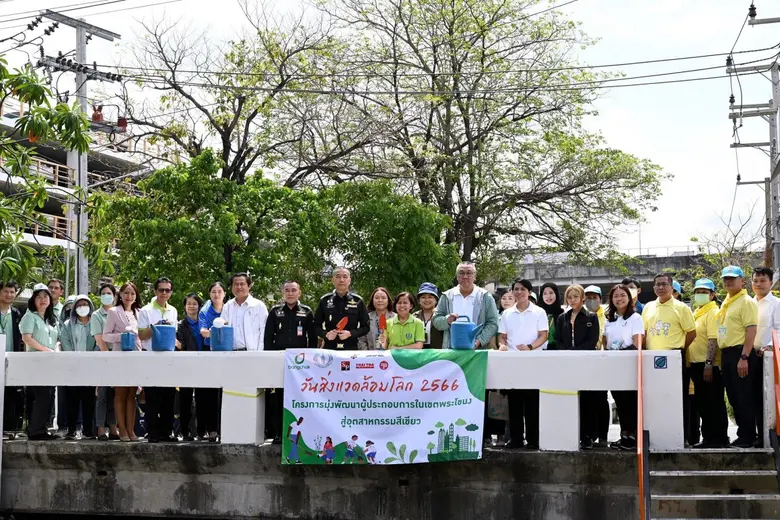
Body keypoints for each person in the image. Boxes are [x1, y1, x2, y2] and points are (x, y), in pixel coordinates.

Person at [643, 272, 696, 444]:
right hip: (652, 358)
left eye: (664, 284)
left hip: (674, 357)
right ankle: (659, 436)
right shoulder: (648, 307)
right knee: (656, 398)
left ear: (671, 287)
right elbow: (644, 333)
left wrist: (678, 349)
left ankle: (684, 436)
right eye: (657, 284)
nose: (660, 287)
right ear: (653, 288)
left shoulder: (681, 307)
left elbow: (691, 333)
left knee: (679, 398)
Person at [498, 278, 548, 450]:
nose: (519, 292)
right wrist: (502, 345)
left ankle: (533, 440)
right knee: (514, 402)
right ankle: (516, 438)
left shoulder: (539, 312)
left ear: (529, 292)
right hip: (513, 362)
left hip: (533, 361)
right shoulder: (507, 314)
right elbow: (502, 336)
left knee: (532, 402)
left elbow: (543, 335)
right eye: (516, 289)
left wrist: (529, 347)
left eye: (522, 289)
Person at [264, 281, 317, 443]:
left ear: (299, 293)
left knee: (299, 397)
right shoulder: (275, 312)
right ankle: (279, 433)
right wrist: (270, 359)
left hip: (300, 364)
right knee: (279, 398)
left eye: (294, 290)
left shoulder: (306, 312)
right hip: (280, 360)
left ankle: (301, 434)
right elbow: (268, 338)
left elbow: (313, 339)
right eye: (287, 290)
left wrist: (310, 360)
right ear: (282, 293)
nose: (290, 293)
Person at [717, 266, 760, 448]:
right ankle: (743, 433)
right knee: (733, 396)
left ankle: (748, 436)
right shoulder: (727, 301)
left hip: (741, 353)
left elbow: (751, 330)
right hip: (727, 354)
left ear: (742, 281)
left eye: (732, 278)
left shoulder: (746, 301)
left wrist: (744, 357)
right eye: (725, 278)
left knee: (743, 396)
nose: (728, 281)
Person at [556, 284, 600, 450]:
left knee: (587, 400)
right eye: (569, 297)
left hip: (586, 362)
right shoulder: (562, 317)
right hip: (567, 363)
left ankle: (587, 436)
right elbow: (558, 339)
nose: (572, 300)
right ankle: (570, 434)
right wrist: (566, 352)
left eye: (576, 296)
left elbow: (592, 340)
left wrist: (575, 351)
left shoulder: (591, 316)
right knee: (568, 398)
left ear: (582, 298)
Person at [688, 278, 729, 449]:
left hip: (708, 365)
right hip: (696, 364)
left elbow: (713, 339)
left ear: (713, 295)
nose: (700, 295)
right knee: (703, 403)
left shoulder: (712, 312)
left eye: (705, 292)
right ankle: (709, 438)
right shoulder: (698, 312)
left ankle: (718, 438)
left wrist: (708, 364)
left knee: (713, 403)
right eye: (698, 292)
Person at [603, 284, 644, 451]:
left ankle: (633, 437)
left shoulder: (635, 318)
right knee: (619, 402)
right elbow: (605, 342)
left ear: (629, 297)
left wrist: (621, 353)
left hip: (629, 365)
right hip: (613, 366)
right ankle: (624, 436)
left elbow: (637, 343)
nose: (619, 299)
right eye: (616, 296)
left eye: (622, 295)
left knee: (630, 402)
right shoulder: (609, 320)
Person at [138, 277, 179, 443]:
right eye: (161, 290)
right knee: (153, 396)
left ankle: (166, 432)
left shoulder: (173, 311)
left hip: (168, 358)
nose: (164, 293)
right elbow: (141, 335)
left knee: (168, 396)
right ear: (155, 291)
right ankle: (152, 432)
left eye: (167, 290)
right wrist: (156, 326)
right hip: (151, 356)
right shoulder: (145, 311)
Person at [102, 282, 143, 442]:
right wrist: (123, 336)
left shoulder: (139, 312)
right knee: (120, 394)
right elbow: (106, 336)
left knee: (132, 395)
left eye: (132, 293)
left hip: (136, 357)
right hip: (120, 357)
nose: (129, 296)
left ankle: (131, 430)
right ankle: (122, 430)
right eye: (126, 293)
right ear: (121, 295)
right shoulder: (113, 312)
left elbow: (142, 334)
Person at [19, 283, 59, 440]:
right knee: (41, 396)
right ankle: (35, 431)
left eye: (45, 296)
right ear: (33, 300)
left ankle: (42, 428)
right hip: (36, 362)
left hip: (50, 362)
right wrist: (45, 349)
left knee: (48, 396)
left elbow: (57, 339)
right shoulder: (30, 316)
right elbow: (26, 338)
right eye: (39, 297)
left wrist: (55, 348)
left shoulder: (50, 319)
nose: (43, 300)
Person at [433, 262, 499, 349]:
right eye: (461, 273)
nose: (465, 276)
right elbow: (436, 320)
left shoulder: (485, 297)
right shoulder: (447, 296)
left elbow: (493, 323)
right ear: (457, 276)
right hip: (451, 350)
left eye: (469, 273)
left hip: (476, 351)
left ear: (475, 276)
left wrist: (479, 341)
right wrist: (447, 320)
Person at [59, 295, 97, 440]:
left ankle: (88, 431)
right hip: (72, 367)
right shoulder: (68, 324)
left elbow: (97, 342)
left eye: (85, 304)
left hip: (90, 367)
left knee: (88, 400)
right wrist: (73, 359)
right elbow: (65, 340)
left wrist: (91, 358)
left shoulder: (95, 323)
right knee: (71, 400)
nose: (82, 307)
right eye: (79, 304)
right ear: (74, 307)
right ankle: (71, 430)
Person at [751, 266, 780, 447]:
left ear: (770, 283)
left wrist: (769, 346)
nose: (759, 284)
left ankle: (766, 436)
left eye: (763, 281)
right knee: (751, 397)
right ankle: (755, 434)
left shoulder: (776, 303)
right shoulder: (748, 302)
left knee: (765, 397)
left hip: (767, 356)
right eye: (755, 281)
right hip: (748, 355)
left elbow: (779, 329)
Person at [91, 283, 120, 441]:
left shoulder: (118, 313)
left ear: (114, 296)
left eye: (109, 293)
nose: (106, 295)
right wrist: (108, 357)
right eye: (103, 293)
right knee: (102, 394)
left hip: (117, 355)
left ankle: (113, 427)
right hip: (102, 356)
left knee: (114, 394)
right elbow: (99, 339)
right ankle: (101, 428)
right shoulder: (96, 315)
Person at [314, 267, 370, 350]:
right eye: (338, 276)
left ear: (349, 280)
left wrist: (350, 333)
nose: (341, 280)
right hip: (330, 348)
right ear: (332, 280)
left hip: (351, 349)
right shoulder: (324, 301)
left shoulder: (358, 301)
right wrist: (326, 334)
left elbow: (366, 327)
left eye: (345, 276)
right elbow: (315, 326)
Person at [198, 281, 225, 441]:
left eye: (219, 291)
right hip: (210, 353)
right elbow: (203, 332)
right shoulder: (205, 312)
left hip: (227, 353)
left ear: (224, 293)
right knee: (210, 394)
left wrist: (213, 332)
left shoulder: (229, 308)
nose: (216, 294)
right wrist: (220, 332)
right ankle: (212, 430)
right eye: (213, 291)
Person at [176, 293, 205, 441]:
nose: (192, 306)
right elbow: (180, 345)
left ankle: (202, 431)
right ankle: (185, 431)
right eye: (189, 304)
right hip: (186, 365)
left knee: (202, 399)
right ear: (185, 307)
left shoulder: (204, 323)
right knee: (185, 399)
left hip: (204, 365)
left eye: (195, 303)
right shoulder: (180, 325)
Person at [584, 285, 609, 447]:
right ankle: (590, 434)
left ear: (601, 299)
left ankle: (603, 435)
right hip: (586, 362)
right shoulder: (582, 315)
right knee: (588, 400)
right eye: (588, 297)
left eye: (594, 297)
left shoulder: (606, 315)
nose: (591, 301)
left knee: (601, 399)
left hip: (603, 362)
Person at [221, 272, 268, 351]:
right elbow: (222, 329)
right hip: (231, 353)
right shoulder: (227, 306)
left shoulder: (259, 306)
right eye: (236, 284)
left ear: (249, 286)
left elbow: (264, 331)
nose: (239, 287)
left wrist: (260, 352)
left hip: (252, 353)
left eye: (242, 284)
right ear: (232, 287)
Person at [1, 281, 24, 438]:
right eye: (5, 291)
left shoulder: (16, 313)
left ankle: (8, 428)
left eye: (12, 292)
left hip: (11, 359)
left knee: (10, 394)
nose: (9, 294)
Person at [414, 283, 443, 349]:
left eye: (430, 297)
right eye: (423, 297)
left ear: (436, 300)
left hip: (438, 356)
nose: (427, 300)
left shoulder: (441, 316)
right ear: (419, 300)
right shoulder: (413, 317)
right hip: (417, 356)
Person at [538, 282, 564, 350]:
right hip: (539, 350)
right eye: (545, 293)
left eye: (551, 293)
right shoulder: (537, 314)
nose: (548, 296)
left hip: (558, 351)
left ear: (556, 294)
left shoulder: (563, 315)